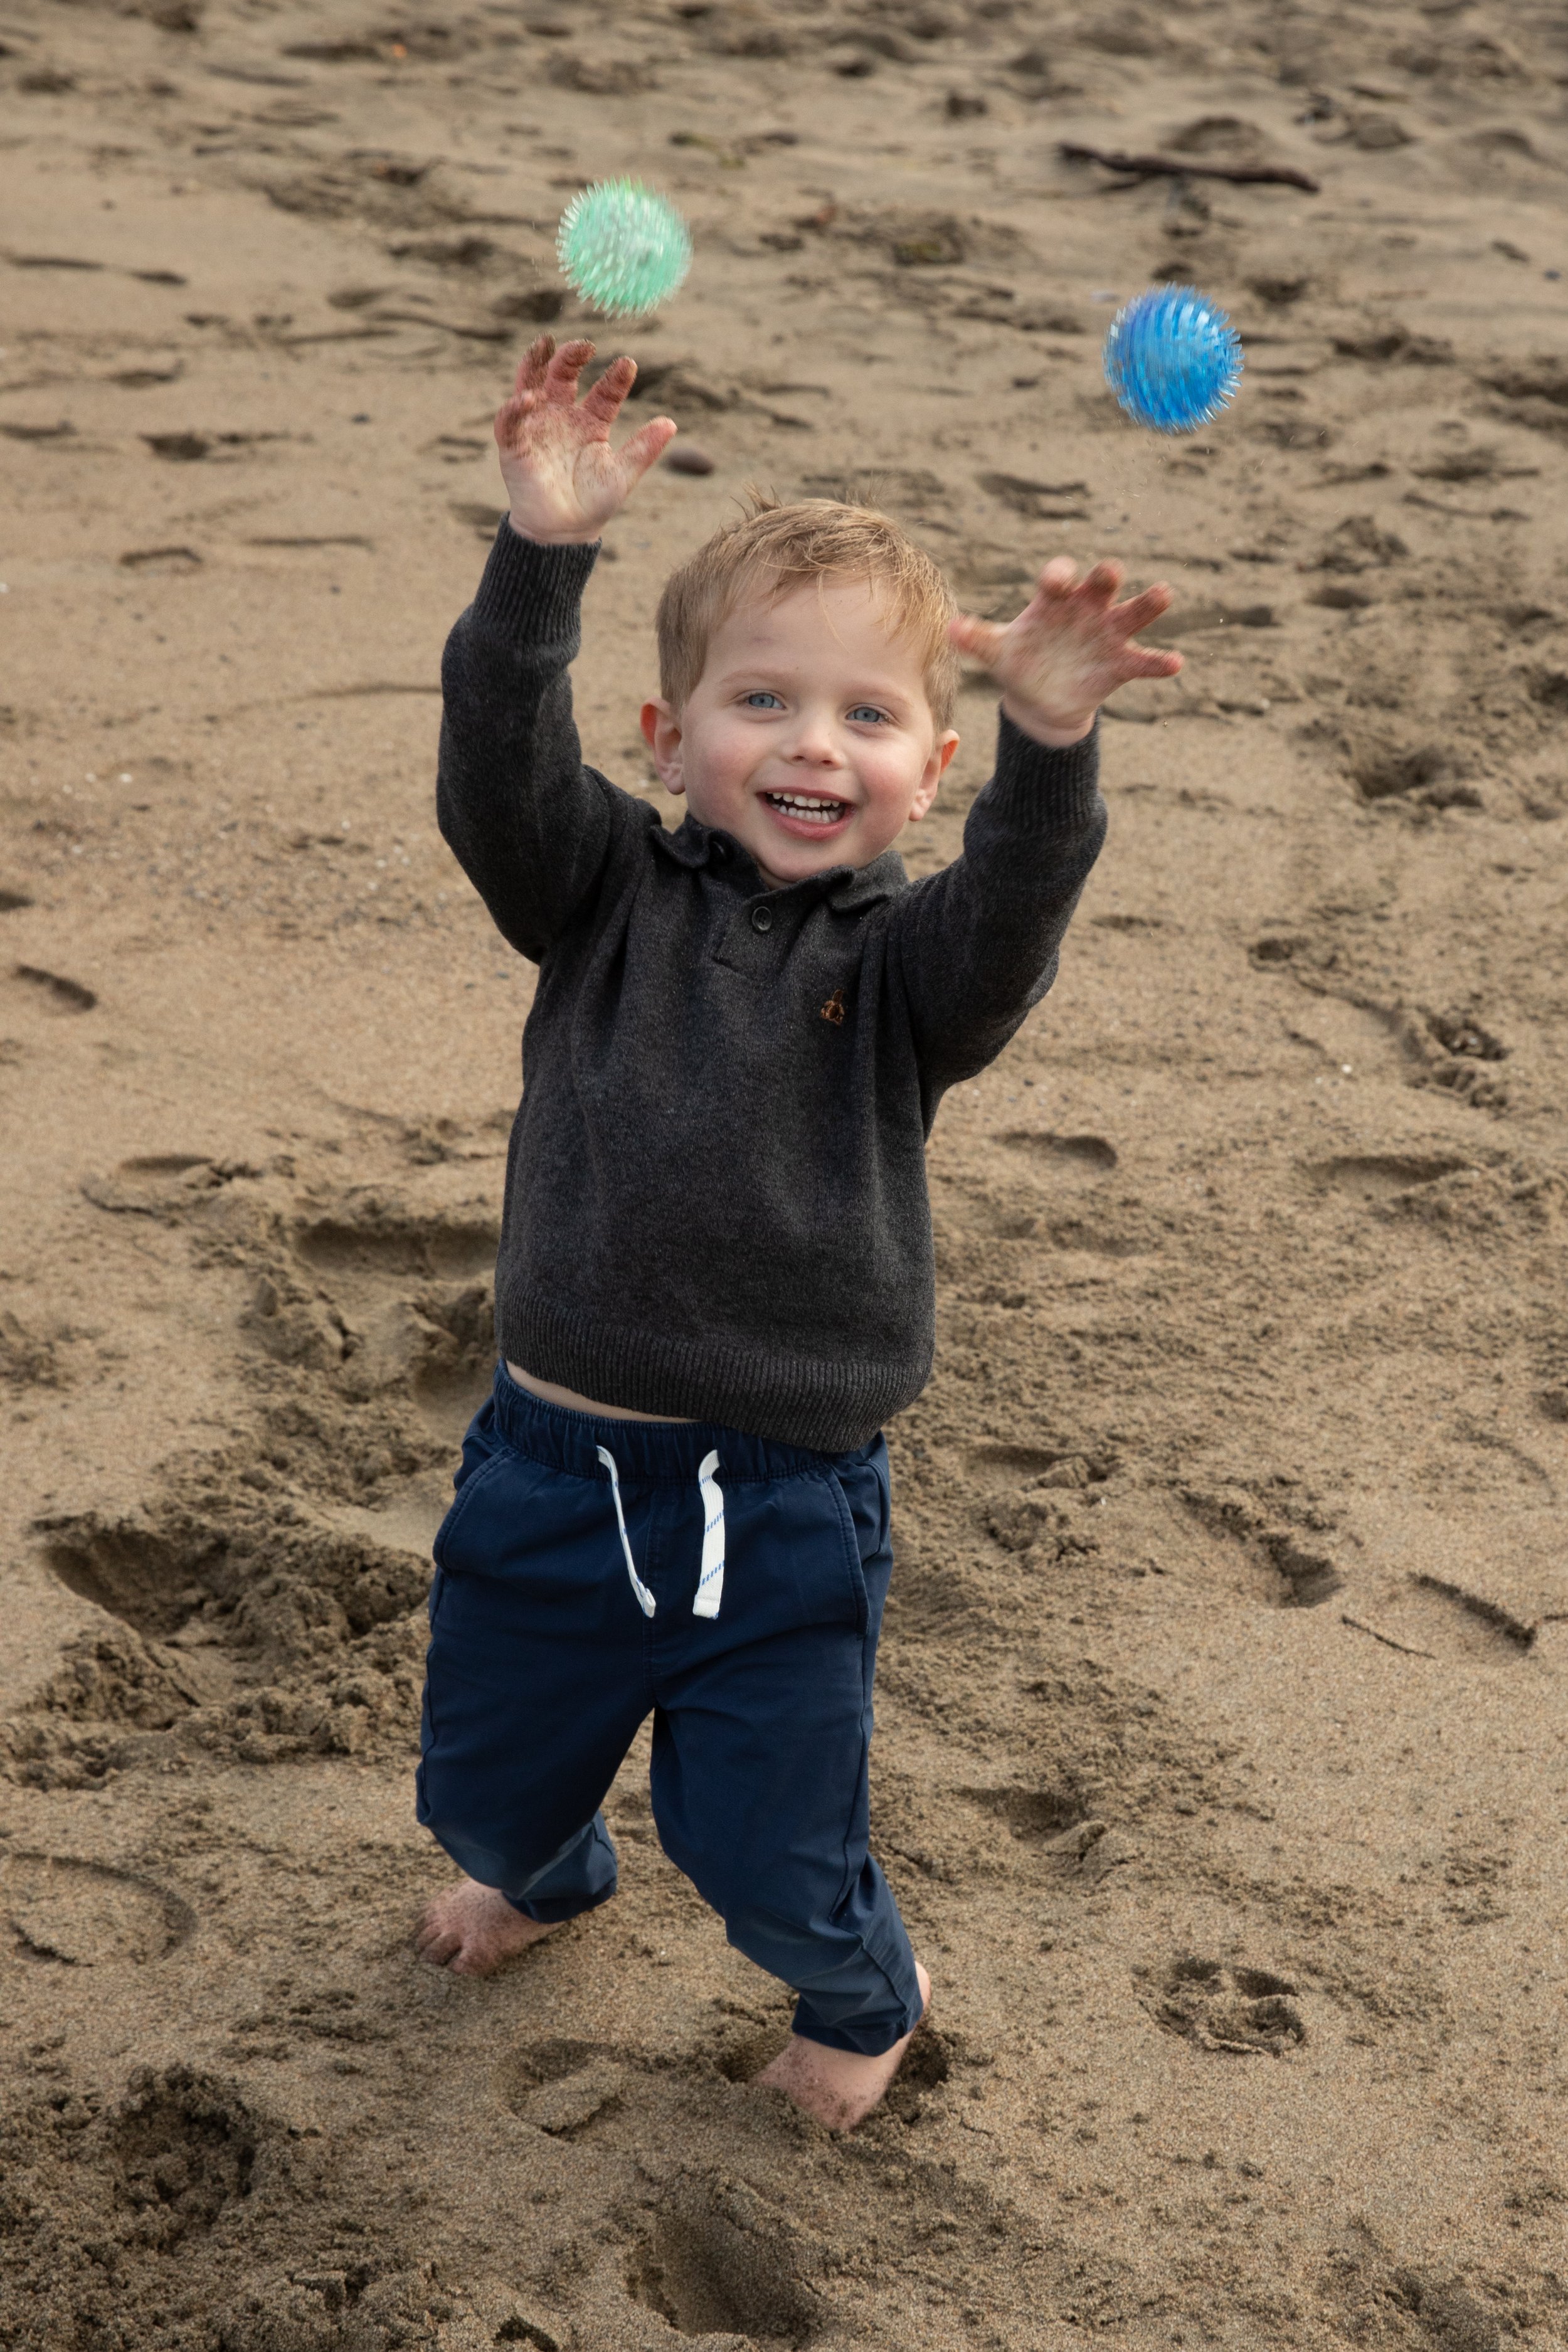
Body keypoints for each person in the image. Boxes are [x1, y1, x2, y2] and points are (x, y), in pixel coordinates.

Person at [413, 336, 1182, 2129]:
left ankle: (861, 1993)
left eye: (865, 716)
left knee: (766, 1835)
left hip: (780, 1506)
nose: (811, 745)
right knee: (484, 1781)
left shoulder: (906, 972)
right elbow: (489, 774)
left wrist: (1051, 746)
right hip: (547, 1467)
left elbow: (1007, 918)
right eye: (761, 701)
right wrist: (543, 556)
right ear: (668, 739)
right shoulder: (595, 894)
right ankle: (543, 1879)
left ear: (926, 764)